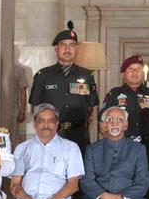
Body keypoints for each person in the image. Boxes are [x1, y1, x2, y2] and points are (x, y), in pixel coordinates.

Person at [29, 22, 98, 154]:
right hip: (51, 134)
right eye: (63, 45)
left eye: (72, 45)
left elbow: (92, 106)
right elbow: (35, 107)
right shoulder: (43, 75)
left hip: (79, 135)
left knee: (77, 173)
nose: (68, 49)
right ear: (56, 48)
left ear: (77, 49)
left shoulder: (87, 75)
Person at [104, 54, 149, 176]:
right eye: (130, 69)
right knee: (120, 184)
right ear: (124, 73)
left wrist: (147, 138)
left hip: (147, 148)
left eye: (138, 69)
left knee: (146, 184)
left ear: (143, 72)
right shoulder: (114, 94)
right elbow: (103, 122)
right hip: (121, 147)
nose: (135, 72)